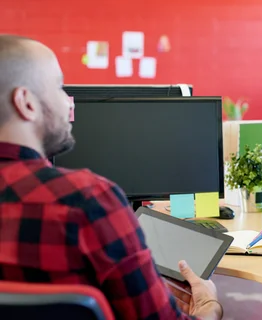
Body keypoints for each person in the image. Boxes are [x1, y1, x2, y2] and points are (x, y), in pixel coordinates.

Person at [0, 35, 222, 320]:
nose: (70, 103)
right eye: (59, 87)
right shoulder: (87, 202)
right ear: (26, 102)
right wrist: (209, 306)